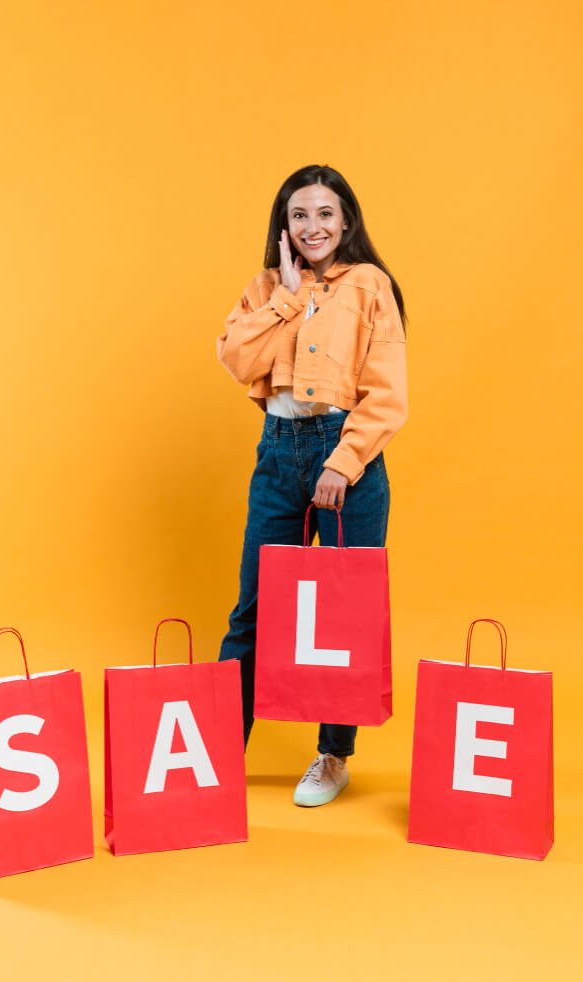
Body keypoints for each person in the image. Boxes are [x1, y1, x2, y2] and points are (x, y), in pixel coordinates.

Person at [216, 164, 408, 807]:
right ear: (283, 226)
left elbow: (386, 395)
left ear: (346, 220)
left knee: (343, 615)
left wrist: (343, 462)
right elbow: (236, 358)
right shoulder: (269, 287)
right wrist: (288, 298)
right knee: (253, 609)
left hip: (344, 455)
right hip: (277, 452)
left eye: (325, 213)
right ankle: (213, 753)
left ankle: (333, 755)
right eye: (300, 215)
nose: (313, 226)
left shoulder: (370, 286)